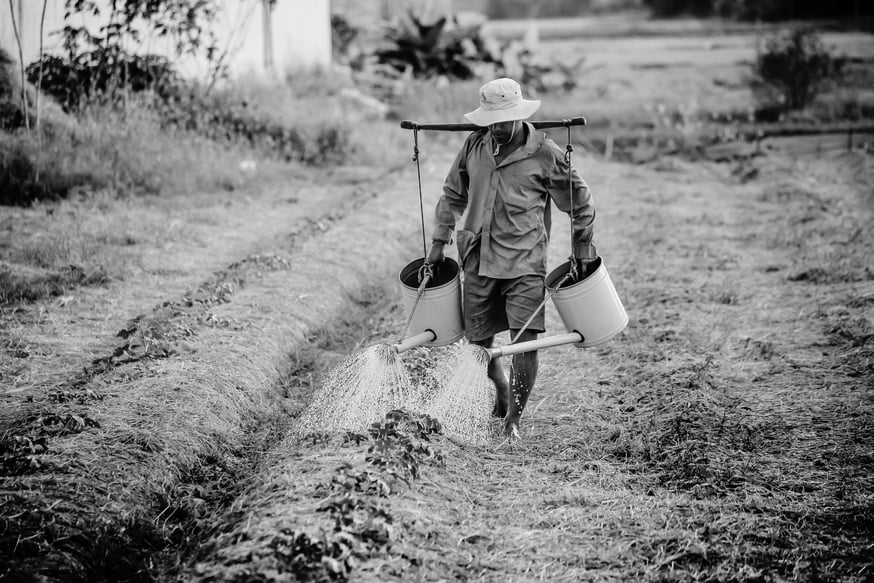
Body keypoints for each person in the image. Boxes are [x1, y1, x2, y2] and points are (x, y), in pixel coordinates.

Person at [426, 77, 598, 440]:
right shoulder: (474, 145)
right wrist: (439, 242)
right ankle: (501, 389)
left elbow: (581, 203)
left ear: (520, 115)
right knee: (479, 343)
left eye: (504, 120)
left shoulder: (546, 153)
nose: (497, 128)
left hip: (524, 260)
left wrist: (582, 249)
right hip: (477, 257)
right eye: (491, 121)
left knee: (526, 340)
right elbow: (452, 194)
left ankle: (513, 420)